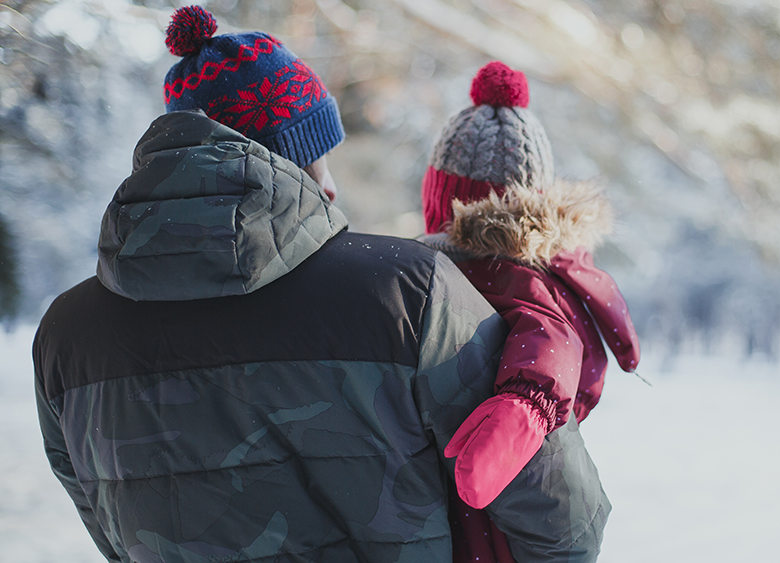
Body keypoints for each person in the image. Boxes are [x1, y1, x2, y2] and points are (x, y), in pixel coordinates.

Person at [33, 7, 609, 563]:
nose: (331, 186)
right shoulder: (406, 291)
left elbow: (109, 530)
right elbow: (561, 521)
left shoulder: (65, 335)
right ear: (281, 161)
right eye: (317, 158)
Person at [418, 61, 641, 563]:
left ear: (442, 201)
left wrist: (526, 406)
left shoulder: (509, 278)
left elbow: (550, 338)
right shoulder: (511, 273)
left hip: (496, 496)